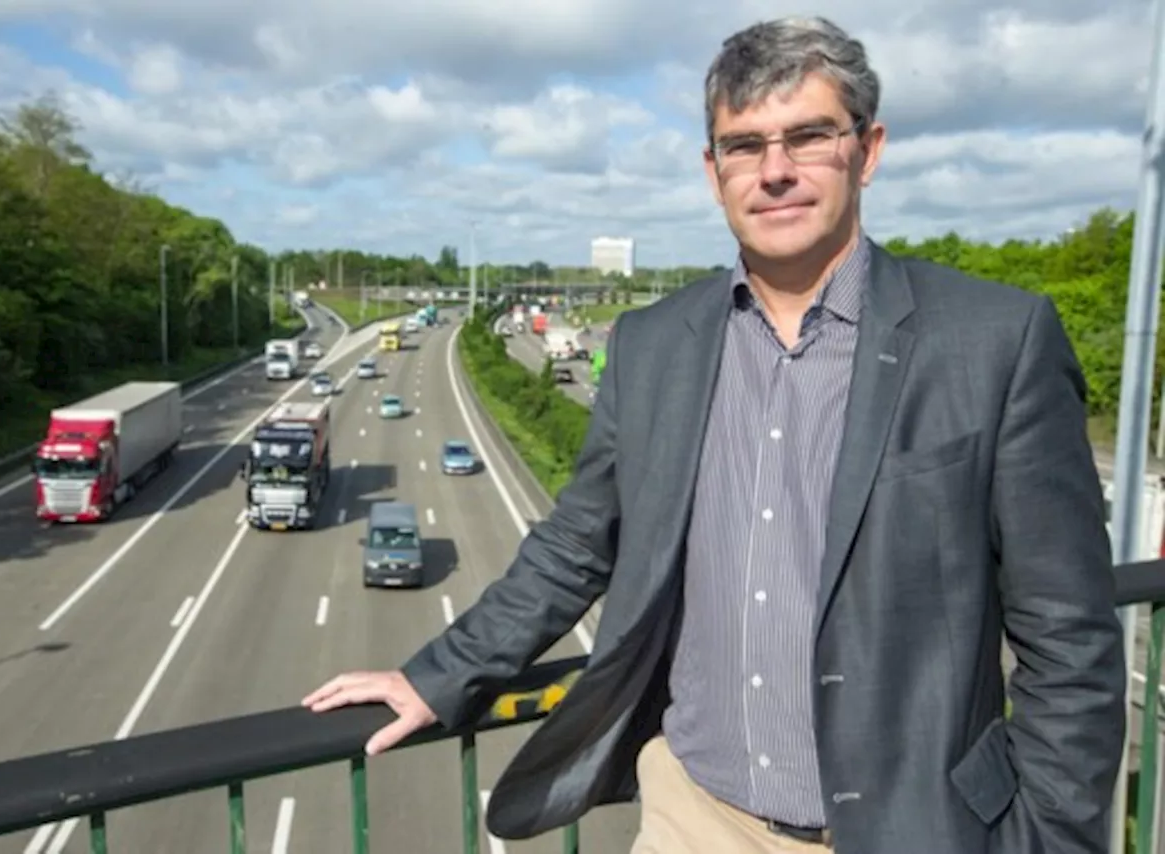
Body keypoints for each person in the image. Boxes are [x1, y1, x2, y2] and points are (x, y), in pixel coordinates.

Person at [303, 15, 1126, 854]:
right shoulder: (654, 344)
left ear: (867, 150)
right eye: (744, 145)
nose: (775, 171)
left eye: (808, 137)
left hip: (912, 829)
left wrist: (1047, 840)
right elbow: (578, 543)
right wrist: (436, 675)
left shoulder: (994, 341)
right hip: (693, 819)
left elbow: (1070, 644)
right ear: (713, 169)